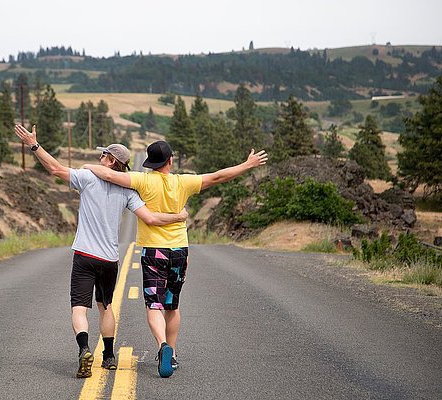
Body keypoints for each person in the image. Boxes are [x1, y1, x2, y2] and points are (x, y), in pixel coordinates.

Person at [14, 126, 188, 379]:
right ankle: (108, 356)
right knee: (106, 306)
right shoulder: (128, 191)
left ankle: (85, 349)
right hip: (110, 259)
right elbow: (150, 218)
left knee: (79, 307)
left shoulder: (87, 178)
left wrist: (34, 145)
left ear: (111, 160)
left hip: (85, 255)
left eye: (103, 155)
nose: (99, 158)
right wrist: (179, 216)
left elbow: (55, 168)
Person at [83, 140, 268, 378]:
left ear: (150, 163)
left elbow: (108, 175)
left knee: (154, 305)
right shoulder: (184, 182)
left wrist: (88, 165)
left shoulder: (143, 180)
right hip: (179, 250)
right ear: (170, 160)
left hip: (153, 251)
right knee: (172, 305)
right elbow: (218, 177)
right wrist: (247, 165)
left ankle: (162, 345)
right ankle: (174, 351)